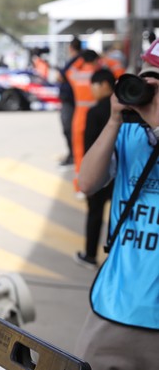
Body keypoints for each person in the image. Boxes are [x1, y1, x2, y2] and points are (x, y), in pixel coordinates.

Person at [74, 40, 159, 368]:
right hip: (115, 306)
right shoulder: (128, 132)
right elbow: (87, 183)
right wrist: (113, 122)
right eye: (146, 81)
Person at [74, 68, 115, 269]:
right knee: (119, 214)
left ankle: (90, 255)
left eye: (94, 85)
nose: (91, 89)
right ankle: (115, 256)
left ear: (105, 85)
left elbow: (89, 146)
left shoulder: (96, 111)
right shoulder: (129, 110)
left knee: (95, 214)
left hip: (100, 172)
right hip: (122, 173)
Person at [65, 48, 101, 194]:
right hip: (96, 118)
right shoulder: (98, 76)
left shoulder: (76, 75)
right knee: (97, 152)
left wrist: (81, 58)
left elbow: (69, 71)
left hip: (79, 117)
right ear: (95, 60)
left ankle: (79, 187)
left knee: (79, 153)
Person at [58, 36, 81, 167]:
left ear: (71, 48)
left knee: (69, 129)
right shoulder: (78, 61)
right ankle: (73, 155)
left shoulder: (75, 61)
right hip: (75, 100)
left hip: (71, 101)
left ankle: (73, 156)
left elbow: (62, 76)